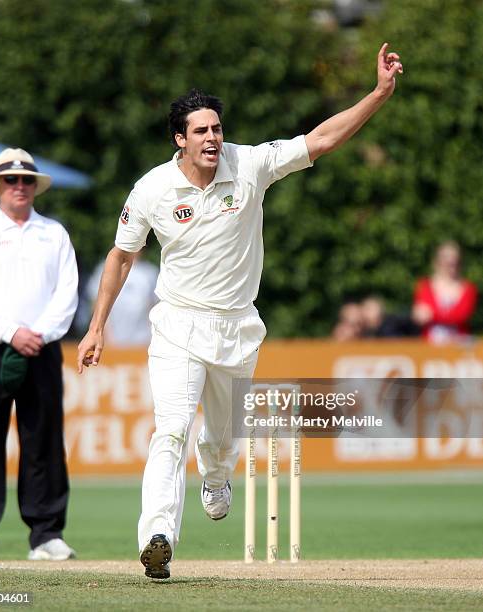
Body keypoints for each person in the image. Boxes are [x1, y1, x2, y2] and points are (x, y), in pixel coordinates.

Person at [77, 43, 403, 579]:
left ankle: (216, 474)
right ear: (179, 139)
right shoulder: (153, 188)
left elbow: (320, 140)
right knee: (170, 429)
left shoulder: (249, 164)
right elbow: (121, 256)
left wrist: (377, 94)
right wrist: (96, 328)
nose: (213, 138)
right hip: (177, 324)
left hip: (236, 327)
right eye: (201, 131)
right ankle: (157, 537)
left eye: (217, 128)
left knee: (222, 440)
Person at [0, 148, 78, 561]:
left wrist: (40, 333)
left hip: (42, 347)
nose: (19, 186)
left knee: (44, 438)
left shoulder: (54, 233)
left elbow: (66, 292)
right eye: (11, 180)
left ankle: (47, 534)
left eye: (26, 180)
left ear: (35, 187)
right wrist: (11, 331)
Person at [85, 252, 158, 346]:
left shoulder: (150, 272)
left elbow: (155, 309)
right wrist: (103, 335)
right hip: (111, 342)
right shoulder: (106, 268)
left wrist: (152, 340)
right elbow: (96, 304)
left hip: (143, 343)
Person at [412, 241, 477, 343]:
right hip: (429, 344)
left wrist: (433, 315)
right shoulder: (424, 286)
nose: (450, 264)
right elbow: (420, 316)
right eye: (446, 260)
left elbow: (462, 316)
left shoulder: (469, 288)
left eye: (454, 262)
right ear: (437, 262)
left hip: (458, 344)